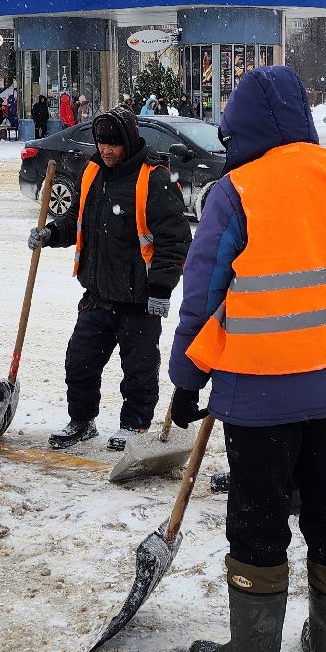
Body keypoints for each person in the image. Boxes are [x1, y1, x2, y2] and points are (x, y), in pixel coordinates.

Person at [167, 65, 326, 652]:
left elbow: (203, 297)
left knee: (258, 523)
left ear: (240, 130)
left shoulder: (235, 192)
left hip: (256, 396)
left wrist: (187, 378)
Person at [28, 107, 191, 451]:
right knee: (79, 362)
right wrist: (51, 233)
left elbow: (175, 240)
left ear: (128, 143)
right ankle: (82, 421)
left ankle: (134, 428)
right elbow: (78, 219)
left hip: (139, 300)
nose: (106, 150)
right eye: (101, 143)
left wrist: (161, 289)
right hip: (98, 295)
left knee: (139, 372)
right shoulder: (93, 171)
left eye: (113, 144)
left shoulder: (154, 178)